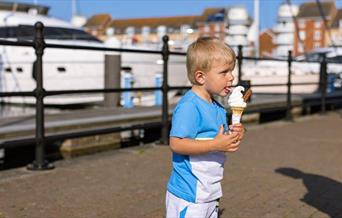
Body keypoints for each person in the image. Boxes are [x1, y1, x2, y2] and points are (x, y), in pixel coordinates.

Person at [165, 37, 245, 218]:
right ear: (201, 76)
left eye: (231, 71)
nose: (231, 76)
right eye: (224, 72)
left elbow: (220, 139)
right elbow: (176, 144)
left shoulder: (217, 107)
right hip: (190, 193)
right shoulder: (190, 106)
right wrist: (215, 145)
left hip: (210, 190)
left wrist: (236, 134)